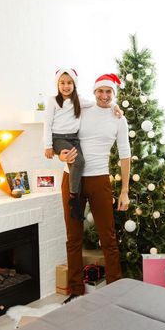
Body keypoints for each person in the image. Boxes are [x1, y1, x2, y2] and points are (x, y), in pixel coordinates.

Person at [58, 73, 130, 304]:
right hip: (72, 179)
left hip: (99, 179)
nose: (105, 96)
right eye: (100, 91)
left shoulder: (119, 118)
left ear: (114, 94)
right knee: (73, 237)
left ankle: (115, 291)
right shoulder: (82, 109)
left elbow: (125, 156)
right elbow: (60, 131)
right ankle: (76, 291)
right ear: (94, 92)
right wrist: (60, 154)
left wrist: (125, 191)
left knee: (107, 236)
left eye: (109, 92)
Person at [44, 69, 122, 220]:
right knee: (80, 161)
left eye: (69, 83)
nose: (66, 86)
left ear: (74, 84)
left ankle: (75, 205)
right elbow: (47, 124)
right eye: (62, 83)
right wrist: (48, 146)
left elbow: (98, 103)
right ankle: (74, 198)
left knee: (77, 165)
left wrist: (114, 106)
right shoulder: (52, 101)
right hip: (58, 138)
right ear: (57, 84)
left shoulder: (78, 100)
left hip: (73, 139)